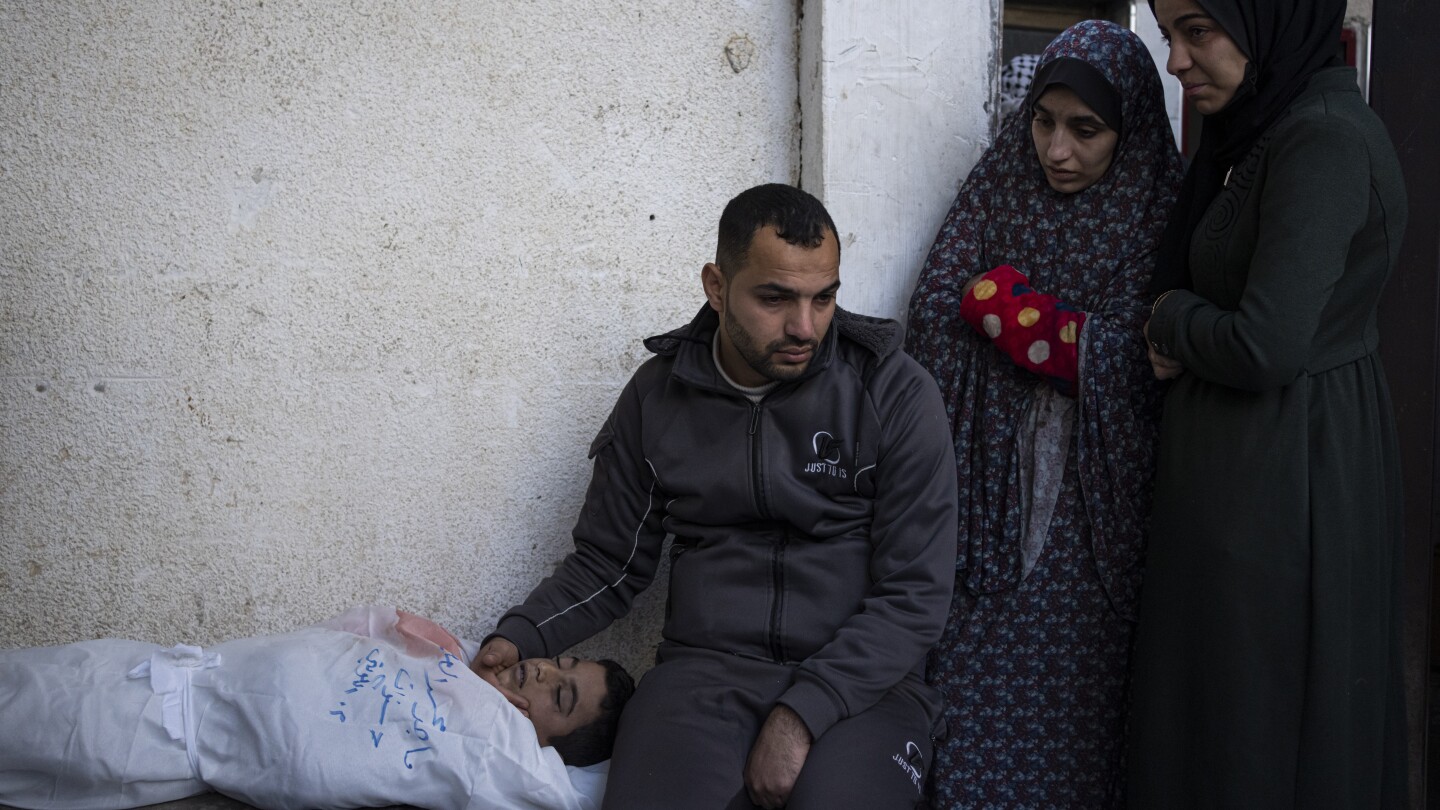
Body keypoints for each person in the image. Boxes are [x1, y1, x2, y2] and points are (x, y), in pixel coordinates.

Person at [470, 183, 959, 810]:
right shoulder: (658, 397)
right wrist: (517, 638)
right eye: (775, 298)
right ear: (717, 286)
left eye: (824, 297)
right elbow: (609, 564)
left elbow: (915, 595)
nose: (804, 326)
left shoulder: (891, 391)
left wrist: (803, 712)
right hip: (699, 682)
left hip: (863, 689)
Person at [1129, 0, 1408, 806]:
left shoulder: (1320, 141)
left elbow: (1267, 344)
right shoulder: (1264, 128)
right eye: (1171, 33)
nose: (1177, 60)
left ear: (1269, 22)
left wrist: (1173, 317)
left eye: (1198, 31)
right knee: (1224, 719)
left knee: (1261, 727)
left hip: (1287, 475)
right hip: (1253, 469)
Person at [905, 20, 1181, 808]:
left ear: (1128, 127)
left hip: (1101, 532)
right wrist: (1057, 335)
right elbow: (933, 314)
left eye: (1085, 129)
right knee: (969, 704)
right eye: (1042, 120)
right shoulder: (999, 184)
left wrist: (997, 302)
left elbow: (1145, 355)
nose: (1055, 150)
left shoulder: (1163, 209)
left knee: (1089, 719)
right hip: (984, 507)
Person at [0, 605, 635, 810]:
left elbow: (565, 792)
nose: (548, 669)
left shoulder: (500, 752)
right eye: (565, 664)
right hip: (153, 669)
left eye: (562, 696)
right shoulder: (460, 672)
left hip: (150, 731)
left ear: (547, 740)